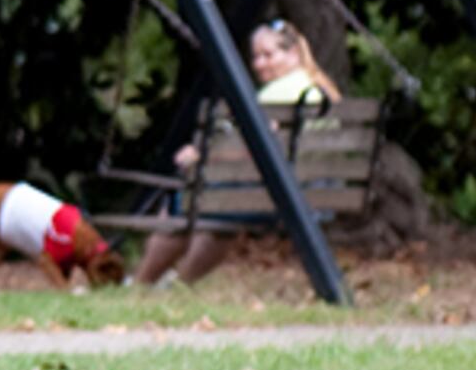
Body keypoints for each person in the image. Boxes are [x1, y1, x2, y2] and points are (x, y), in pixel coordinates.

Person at [136, 18, 339, 288]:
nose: (259, 64)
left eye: (268, 55)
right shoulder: (324, 92)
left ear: (293, 54)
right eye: (256, 57)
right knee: (220, 213)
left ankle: (141, 282)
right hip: (318, 196)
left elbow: (240, 147)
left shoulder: (276, 94)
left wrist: (197, 156)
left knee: (184, 198)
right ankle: (179, 287)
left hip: (264, 197)